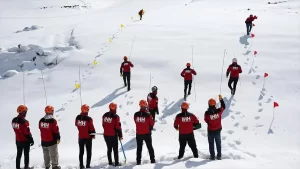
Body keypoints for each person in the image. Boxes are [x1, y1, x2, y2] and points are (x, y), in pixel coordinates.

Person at [12, 105, 34, 169]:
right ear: (23, 112)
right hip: (25, 141)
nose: (26, 113)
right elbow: (27, 133)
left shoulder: (14, 120)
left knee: (18, 155)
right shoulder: (24, 122)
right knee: (26, 154)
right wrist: (31, 140)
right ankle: (26, 167)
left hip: (18, 140)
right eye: (25, 111)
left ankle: (17, 167)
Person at [134, 100, 155, 165]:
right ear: (145, 105)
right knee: (150, 147)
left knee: (139, 148)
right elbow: (152, 123)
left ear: (140, 105)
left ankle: (138, 161)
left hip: (139, 134)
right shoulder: (148, 115)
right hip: (147, 134)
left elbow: (135, 122)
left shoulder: (136, 114)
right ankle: (152, 160)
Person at [204, 95, 225, 160]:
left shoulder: (207, 113)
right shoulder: (218, 111)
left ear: (209, 104)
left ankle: (212, 156)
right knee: (218, 143)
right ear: (215, 104)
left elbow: (206, 120)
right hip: (218, 130)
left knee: (211, 144)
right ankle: (219, 156)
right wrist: (221, 99)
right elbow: (223, 107)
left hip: (210, 131)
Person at [75, 104, 96, 169]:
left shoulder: (77, 117)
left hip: (81, 137)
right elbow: (91, 128)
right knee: (88, 152)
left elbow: (76, 124)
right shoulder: (89, 119)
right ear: (87, 110)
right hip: (88, 137)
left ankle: (81, 165)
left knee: (81, 152)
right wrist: (93, 134)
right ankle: (88, 165)